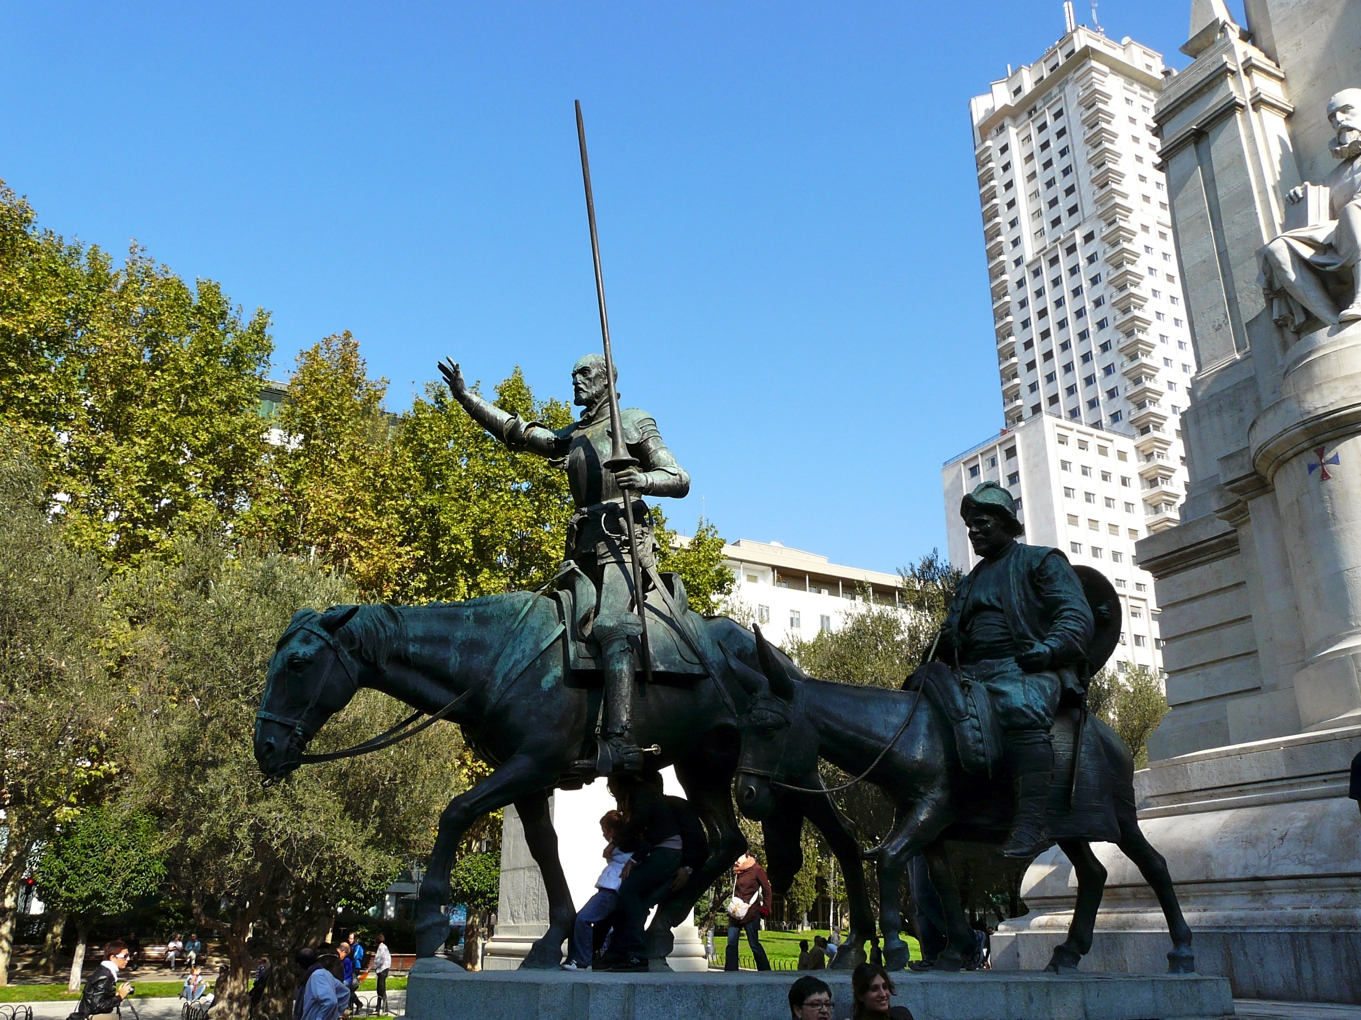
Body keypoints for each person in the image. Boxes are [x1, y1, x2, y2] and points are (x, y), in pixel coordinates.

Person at [440, 354, 690, 774]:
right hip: (581, 549)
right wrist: (467, 398)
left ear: (607, 379)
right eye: (573, 375)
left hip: (622, 544)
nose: (576, 381)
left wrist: (642, 480)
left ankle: (620, 740)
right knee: (542, 632)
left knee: (612, 625)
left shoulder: (633, 421)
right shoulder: (574, 434)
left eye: (585, 375)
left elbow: (679, 477)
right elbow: (518, 432)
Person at [935, 481, 1094, 858]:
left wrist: (1049, 650)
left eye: (983, 523)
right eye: (970, 526)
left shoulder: (1040, 561)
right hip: (971, 673)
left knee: (1018, 706)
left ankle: (1031, 823)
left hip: (1027, 667)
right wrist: (947, 641)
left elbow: (1075, 615)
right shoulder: (967, 583)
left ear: (1007, 523)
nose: (974, 532)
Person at [601, 773, 684, 971]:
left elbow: (638, 820)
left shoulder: (641, 794)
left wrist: (614, 843)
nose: (615, 796)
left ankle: (636, 953)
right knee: (631, 894)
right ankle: (619, 951)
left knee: (628, 890)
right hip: (661, 851)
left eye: (614, 791)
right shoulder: (641, 794)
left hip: (667, 851)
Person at [564, 810, 633, 970]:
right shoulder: (620, 844)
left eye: (604, 831)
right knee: (588, 922)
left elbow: (642, 847)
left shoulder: (624, 843)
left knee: (583, 919)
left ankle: (582, 961)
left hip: (611, 889)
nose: (603, 836)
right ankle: (582, 958)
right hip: (609, 889)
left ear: (612, 831)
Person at [724, 853, 772, 972]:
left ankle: (765, 971)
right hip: (736, 914)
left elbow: (767, 890)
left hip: (751, 913)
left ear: (745, 856)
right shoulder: (738, 871)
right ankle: (730, 973)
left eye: (738, 858)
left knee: (754, 944)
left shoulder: (756, 870)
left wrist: (765, 909)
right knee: (731, 945)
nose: (736, 862)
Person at [74, 941, 134, 1020]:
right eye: (125, 956)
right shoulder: (105, 976)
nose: (128, 959)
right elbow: (97, 1006)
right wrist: (119, 997)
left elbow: (96, 999)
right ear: (112, 957)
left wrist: (117, 995)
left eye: (128, 955)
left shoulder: (104, 972)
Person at [297, 948, 350, 1020]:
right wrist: (336, 1014)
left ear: (300, 965)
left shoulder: (317, 976)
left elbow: (330, 1001)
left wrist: (320, 1018)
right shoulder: (324, 973)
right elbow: (345, 992)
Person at [849, 962, 914, 1020]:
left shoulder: (903, 1014)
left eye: (885, 987)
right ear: (860, 996)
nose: (883, 994)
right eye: (874, 989)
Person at [370, 934, 392, 1014]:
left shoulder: (381, 948)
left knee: (381, 990)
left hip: (382, 970)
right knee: (379, 990)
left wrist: (373, 967)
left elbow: (378, 960)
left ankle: (385, 1009)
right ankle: (378, 1008)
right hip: (384, 969)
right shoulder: (384, 947)